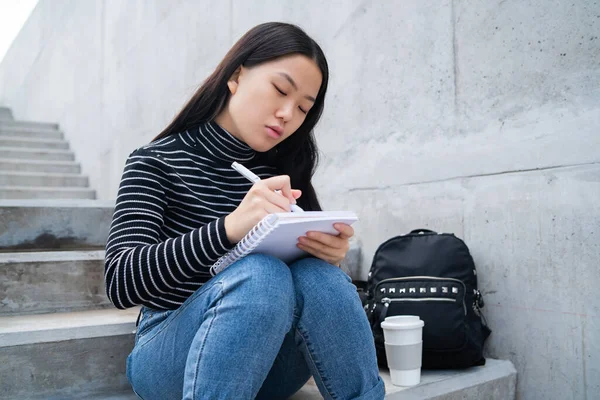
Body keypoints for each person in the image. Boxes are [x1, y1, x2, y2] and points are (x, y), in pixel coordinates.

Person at [104, 22, 385, 400]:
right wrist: (229, 228)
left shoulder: (280, 171)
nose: (288, 113)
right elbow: (121, 282)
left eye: (303, 107)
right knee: (260, 274)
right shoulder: (155, 162)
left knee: (321, 278)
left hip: (267, 362)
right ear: (236, 75)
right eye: (280, 90)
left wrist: (330, 258)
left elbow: (315, 293)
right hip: (170, 352)